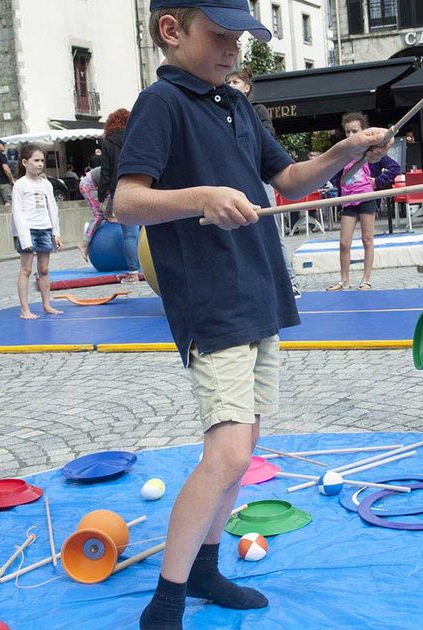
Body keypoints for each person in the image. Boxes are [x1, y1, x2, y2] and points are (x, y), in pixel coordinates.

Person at [112, 2, 392, 627]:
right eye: (221, 36)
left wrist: (346, 151)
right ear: (171, 30)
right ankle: (165, 601)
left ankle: (207, 569)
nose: (235, 49)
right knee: (230, 454)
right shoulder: (163, 103)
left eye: (240, 38)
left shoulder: (235, 102)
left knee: (245, 443)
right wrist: (200, 198)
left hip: (258, 291)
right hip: (210, 299)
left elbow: (289, 179)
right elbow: (125, 202)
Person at [226, 69, 299, 296]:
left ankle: (290, 283)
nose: (230, 85)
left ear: (247, 87)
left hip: (258, 178)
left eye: (235, 82)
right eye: (228, 82)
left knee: (271, 231)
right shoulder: (222, 112)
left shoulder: (256, 111)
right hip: (233, 180)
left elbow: (264, 139)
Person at [327, 111, 401, 291]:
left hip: (366, 197)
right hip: (348, 201)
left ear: (363, 131)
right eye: (347, 132)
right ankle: (344, 280)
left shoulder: (371, 152)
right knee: (344, 242)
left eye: (354, 131)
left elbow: (394, 167)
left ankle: (366, 279)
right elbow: (332, 173)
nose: (350, 135)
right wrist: (341, 185)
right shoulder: (343, 151)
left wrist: (378, 182)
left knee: (367, 239)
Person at [10, 143, 63, 319]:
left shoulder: (46, 184)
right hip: (28, 229)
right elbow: (17, 212)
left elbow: (53, 208)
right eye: (36, 160)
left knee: (44, 268)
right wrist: (24, 239)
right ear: (25, 162)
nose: (40, 164)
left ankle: (47, 304)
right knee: (26, 269)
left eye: (42, 160)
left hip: (44, 228)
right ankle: (25, 309)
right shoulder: (20, 184)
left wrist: (55, 232)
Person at [99, 108, 141, 282]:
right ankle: (148, 267)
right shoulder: (135, 137)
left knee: (129, 234)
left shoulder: (108, 142)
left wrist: (101, 195)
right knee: (143, 231)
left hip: (121, 189)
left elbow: (106, 171)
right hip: (141, 186)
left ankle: (134, 271)